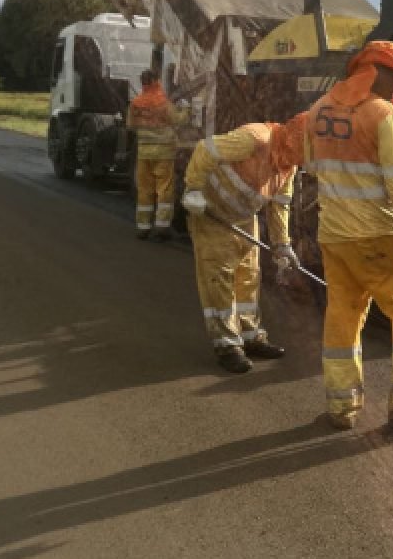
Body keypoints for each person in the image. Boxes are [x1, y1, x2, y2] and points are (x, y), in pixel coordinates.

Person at [304, 40, 393, 434]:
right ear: (375, 72)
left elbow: (311, 167)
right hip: (381, 238)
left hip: (335, 237)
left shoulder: (317, 110)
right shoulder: (384, 115)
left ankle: (341, 408)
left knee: (342, 318)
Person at [181, 113, 307, 373]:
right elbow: (205, 149)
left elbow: (279, 206)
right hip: (212, 213)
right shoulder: (254, 139)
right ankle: (227, 345)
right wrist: (193, 189)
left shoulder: (289, 164)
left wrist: (282, 245)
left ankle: (251, 337)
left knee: (249, 277)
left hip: (244, 217)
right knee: (219, 279)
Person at [127, 68, 187, 240]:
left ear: (143, 83)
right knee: (164, 190)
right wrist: (187, 109)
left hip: (144, 153)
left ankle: (143, 227)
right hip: (163, 153)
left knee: (145, 190)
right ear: (155, 81)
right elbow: (178, 120)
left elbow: (131, 125)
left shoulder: (135, 103)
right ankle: (161, 227)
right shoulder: (163, 103)